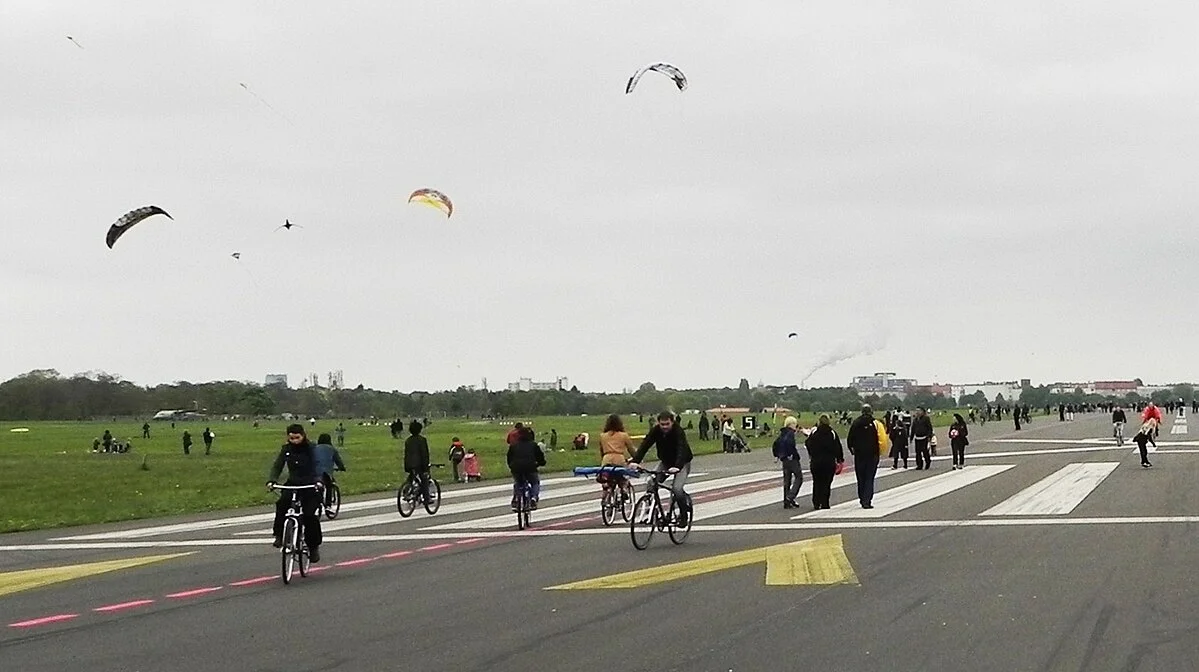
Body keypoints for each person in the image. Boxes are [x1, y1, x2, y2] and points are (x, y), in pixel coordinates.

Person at [266, 424, 324, 562]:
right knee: (281, 505)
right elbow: (278, 465)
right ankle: (279, 535)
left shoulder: (312, 449)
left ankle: (313, 546)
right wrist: (272, 480)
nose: (294, 441)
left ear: (303, 435)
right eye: (291, 438)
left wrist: (318, 480)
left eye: (297, 438)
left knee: (309, 515)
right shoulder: (286, 449)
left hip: (310, 484)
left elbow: (318, 465)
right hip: (292, 484)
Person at [629, 411, 695, 523]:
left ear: (672, 422)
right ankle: (653, 511)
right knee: (651, 482)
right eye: (662, 424)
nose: (664, 427)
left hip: (682, 463)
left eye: (667, 424)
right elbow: (645, 445)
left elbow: (681, 449)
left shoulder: (678, 432)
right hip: (665, 462)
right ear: (658, 423)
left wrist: (677, 466)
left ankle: (683, 515)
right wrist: (636, 461)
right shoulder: (656, 431)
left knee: (677, 489)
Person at [847, 405, 884, 509]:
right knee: (869, 478)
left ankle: (861, 498)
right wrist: (879, 451)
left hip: (859, 455)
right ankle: (867, 500)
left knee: (861, 478)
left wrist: (852, 450)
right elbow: (881, 438)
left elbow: (850, 439)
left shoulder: (856, 423)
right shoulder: (875, 423)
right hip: (872, 454)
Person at [804, 414, 844, 509]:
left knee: (817, 482)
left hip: (816, 462)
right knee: (826, 483)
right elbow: (838, 447)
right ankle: (825, 502)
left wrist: (812, 454)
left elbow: (808, 443)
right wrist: (840, 459)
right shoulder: (832, 433)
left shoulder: (814, 432)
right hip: (828, 462)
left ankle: (816, 502)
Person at [507, 426, 546, 509]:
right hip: (530, 467)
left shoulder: (514, 445)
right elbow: (540, 458)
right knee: (535, 482)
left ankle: (516, 499)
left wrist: (511, 466)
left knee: (518, 483)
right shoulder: (534, 445)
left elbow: (509, 457)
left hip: (516, 468)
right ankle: (534, 498)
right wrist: (541, 463)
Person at [772, 416, 802, 509]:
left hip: (784, 459)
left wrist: (778, 454)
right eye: (794, 424)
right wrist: (794, 454)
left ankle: (786, 501)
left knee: (787, 480)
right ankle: (791, 496)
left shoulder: (782, 433)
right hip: (791, 459)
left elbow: (775, 444)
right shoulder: (790, 434)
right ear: (791, 424)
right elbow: (790, 444)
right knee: (799, 477)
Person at [313, 432, 346, 508]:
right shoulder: (332, 449)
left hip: (313, 471)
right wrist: (342, 468)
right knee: (329, 486)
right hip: (325, 472)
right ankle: (328, 505)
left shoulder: (314, 448)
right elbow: (338, 461)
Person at [403, 421, 431, 500]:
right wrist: (426, 467)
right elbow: (424, 454)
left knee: (411, 478)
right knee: (424, 479)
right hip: (419, 464)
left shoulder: (408, 440)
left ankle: (406, 491)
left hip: (409, 463)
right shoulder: (422, 440)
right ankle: (427, 497)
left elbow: (406, 453)